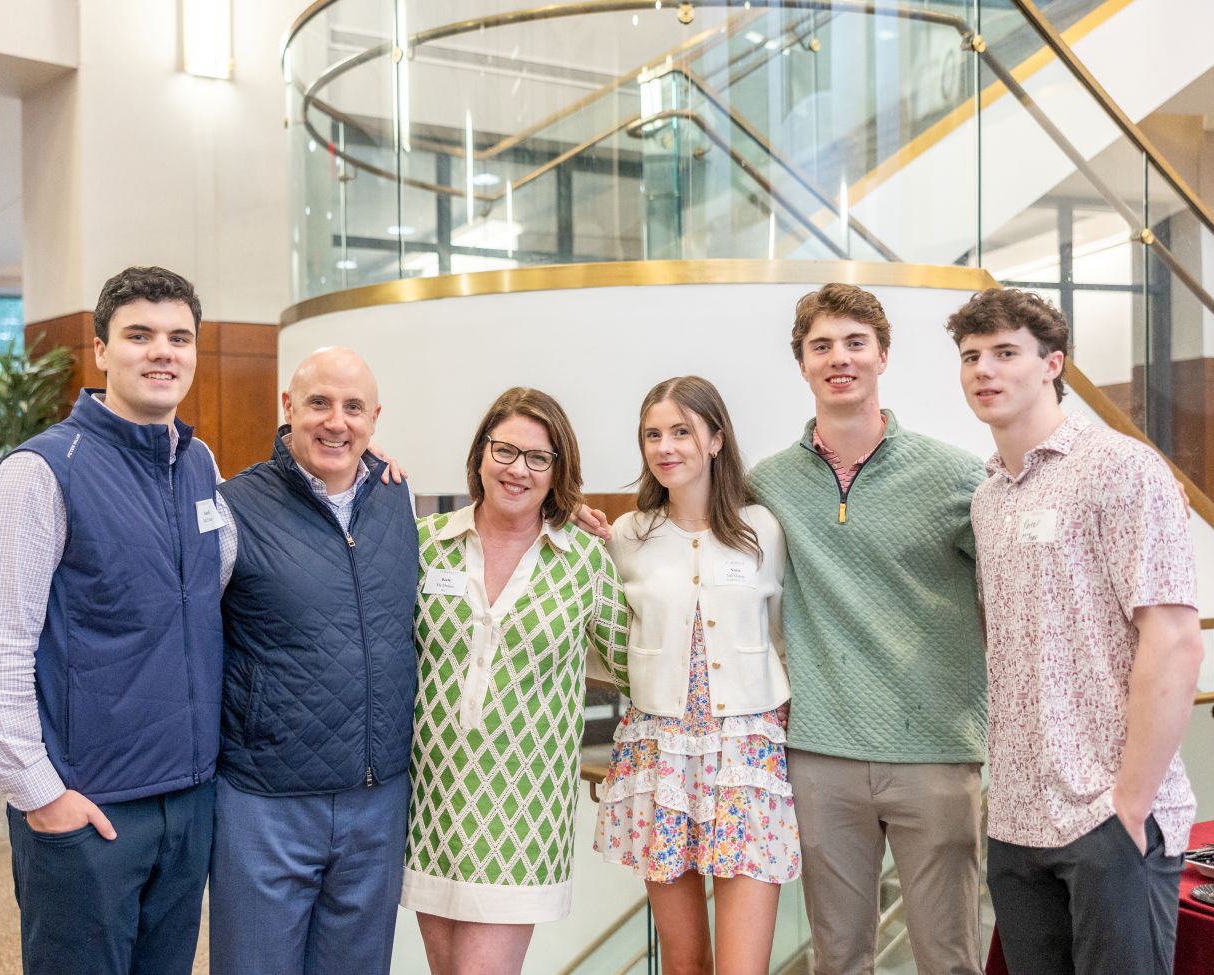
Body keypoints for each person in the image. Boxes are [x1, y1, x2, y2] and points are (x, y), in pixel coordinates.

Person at [0, 266, 224, 975]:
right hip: (90, 808)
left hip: (187, 800)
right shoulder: (37, 474)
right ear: (101, 350)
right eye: (139, 334)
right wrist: (40, 795)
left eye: (179, 337)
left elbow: (207, 593)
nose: (162, 351)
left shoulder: (199, 464)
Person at [948, 287, 1202, 975]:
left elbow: (1175, 639)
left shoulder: (1122, 467)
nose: (984, 370)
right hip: (1017, 820)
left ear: (1052, 363)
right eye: (972, 356)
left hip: (1107, 815)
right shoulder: (987, 495)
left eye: (1006, 353)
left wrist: (1129, 804)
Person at [746, 283, 987, 975]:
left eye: (855, 342)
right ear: (802, 364)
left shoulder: (957, 477)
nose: (839, 358)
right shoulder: (770, 483)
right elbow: (696, 536)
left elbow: (1028, 566)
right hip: (820, 753)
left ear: (883, 355)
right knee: (838, 959)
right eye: (821, 345)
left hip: (936, 753)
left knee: (950, 958)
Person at [401, 387, 630, 975]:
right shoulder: (424, 546)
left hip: (523, 815)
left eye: (539, 458)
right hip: (428, 805)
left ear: (558, 473)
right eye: (505, 451)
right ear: (480, 454)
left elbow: (636, 664)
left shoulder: (583, 559)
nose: (518, 469)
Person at [208, 346, 417, 975]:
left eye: (353, 407)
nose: (336, 422)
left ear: (375, 418)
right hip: (265, 800)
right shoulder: (231, 507)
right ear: (288, 407)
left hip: (376, 799)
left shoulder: (395, 500)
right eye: (319, 403)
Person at [594, 375, 800, 975]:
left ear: (715, 439)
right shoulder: (628, 535)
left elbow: (786, 634)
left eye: (682, 431)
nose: (666, 447)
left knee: (743, 967)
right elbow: (603, 632)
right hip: (659, 754)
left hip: (746, 756)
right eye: (653, 434)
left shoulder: (763, 528)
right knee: (684, 963)